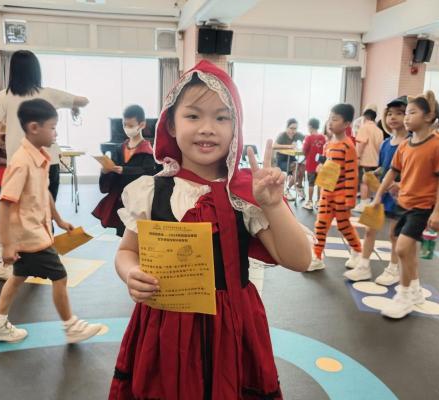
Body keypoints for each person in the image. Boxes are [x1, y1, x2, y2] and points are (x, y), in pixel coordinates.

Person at [108, 61, 311, 399]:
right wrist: (130, 273)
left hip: (232, 326)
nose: (207, 128)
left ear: (236, 128)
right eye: (193, 116)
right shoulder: (151, 190)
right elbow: (127, 251)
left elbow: (299, 260)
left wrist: (274, 206)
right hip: (164, 324)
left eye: (222, 118)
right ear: (171, 125)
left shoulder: (244, 194)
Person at [0, 99, 103, 343]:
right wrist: (6, 245)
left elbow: (44, 192)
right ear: (34, 128)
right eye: (53, 127)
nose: (56, 133)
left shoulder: (39, 157)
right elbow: (5, 202)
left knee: (17, 277)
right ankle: (71, 326)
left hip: (36, 232)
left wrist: (59, 219)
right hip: (30, 236)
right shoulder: (22, 162)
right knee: (60, 276)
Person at [371, 90, 439, 319]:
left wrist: (438, 212)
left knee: (401, 249)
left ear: (428, 116)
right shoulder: (405, 146)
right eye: (405, 113)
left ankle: (404, 296)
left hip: (423, 207)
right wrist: (378, 196)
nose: (406, 117)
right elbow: (392, 172)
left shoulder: (438, 145)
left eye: (411, 113)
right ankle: (415, 290)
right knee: (406, 251)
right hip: (404, 204)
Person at [0, 50, 89, 202]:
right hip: (48, 163)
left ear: (13, 71)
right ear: (36, 70)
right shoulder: (48, 94)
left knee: (21, 210)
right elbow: (84, 101)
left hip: (18, 164)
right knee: (45, 211)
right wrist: (73, 105)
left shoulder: (4, 96)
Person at [344, 96, 408, 284]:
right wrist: (374, 173)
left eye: (399, 113)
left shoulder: (411, 143)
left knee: (394, 235)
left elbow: (413, 171)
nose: (393, 117)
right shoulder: (386, 143)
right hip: (381, 194)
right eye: (390, 114)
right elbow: (384, 167)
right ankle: (364, 266)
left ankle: (393, 269)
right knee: (369, 230)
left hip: (400, 197)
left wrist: (400, 185)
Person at [308, 104, 362, 272]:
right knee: (320, 225)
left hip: (341, 195)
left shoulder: (348, 146)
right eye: (329, 119)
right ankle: (317, 257)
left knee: (344, 226)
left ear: (346, 124)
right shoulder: (328, 144)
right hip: (327, 194)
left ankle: (357, 251)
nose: (330, 122)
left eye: (335, 119)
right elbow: (325, 164)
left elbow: (352, 174)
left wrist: (349, 200)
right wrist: (320, 169)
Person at [92, 104, 157, 237]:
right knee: (123, 232)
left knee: (138, 233)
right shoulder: (119, 148)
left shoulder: (148, 150)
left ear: (142, 125)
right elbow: (113, 175)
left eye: (131, 125)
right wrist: (105, 172)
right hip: (121, 198)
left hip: (139, 200)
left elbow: (148, 172)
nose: (127, 128)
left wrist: (124, 170)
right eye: (124, 124)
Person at [354, 108, 384, 212]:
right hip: (376, 160)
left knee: (364, 182)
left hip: (365, 160)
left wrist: (357, 157)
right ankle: (369, 202)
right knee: (371, 182)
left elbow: (361, 143)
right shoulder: (379, 130)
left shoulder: (364, 128)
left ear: (365, 117)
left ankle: (364, 203)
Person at [273, 118, 305, 200]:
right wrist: (289, 146)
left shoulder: (297, 134)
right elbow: (274, 146)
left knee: (302, 167)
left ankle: (296, 187)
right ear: (287, 127)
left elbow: (306, 139)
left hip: (292, 159)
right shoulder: (282, 135)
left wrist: (304, 146)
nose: (293, 131)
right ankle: (289, 190)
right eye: (291, 128)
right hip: (282, 161)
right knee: (298, 168)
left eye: (295, 128)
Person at [302, 118, 326, 210]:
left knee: (311, 184)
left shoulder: (308, 138)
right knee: (320, 183)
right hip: (320, 165)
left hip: (311, 164)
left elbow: (304, 150)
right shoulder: (322, 137)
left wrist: (306, 156)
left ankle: (310, 202)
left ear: (310, 127)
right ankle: (319, 201)